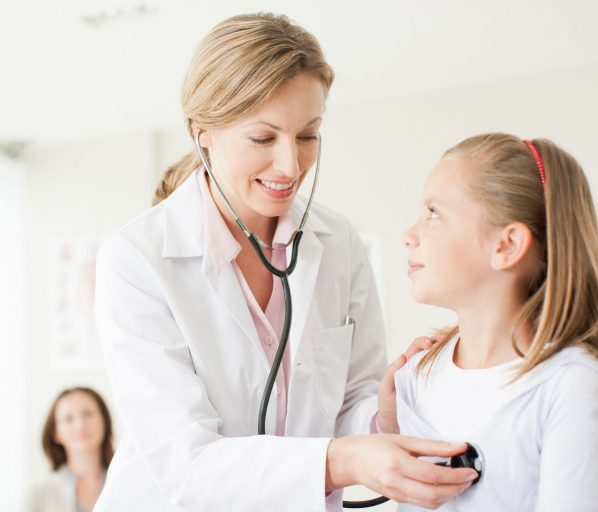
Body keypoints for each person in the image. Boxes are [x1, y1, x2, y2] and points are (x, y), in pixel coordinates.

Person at [93, 12, 477, 512]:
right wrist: (342, 461)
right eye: (263, 138)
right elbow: (186, 465)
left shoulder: (338, 244)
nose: (290, 165)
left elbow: (349, 405)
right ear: (202, 131)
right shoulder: (136, 260)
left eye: (307, 136)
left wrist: (384, 414)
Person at [394, 133, 598, 510]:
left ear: (506, 246)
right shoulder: (417, 373)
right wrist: (386, 421)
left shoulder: (571, 386)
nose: (409, 235)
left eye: (434, 213)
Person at [23, 387, 115, 512]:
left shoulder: (126, 482)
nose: (80, 424)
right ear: (56, 433)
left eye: (87, 414)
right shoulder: (38, 493)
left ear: (104, 421)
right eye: (68, 419)